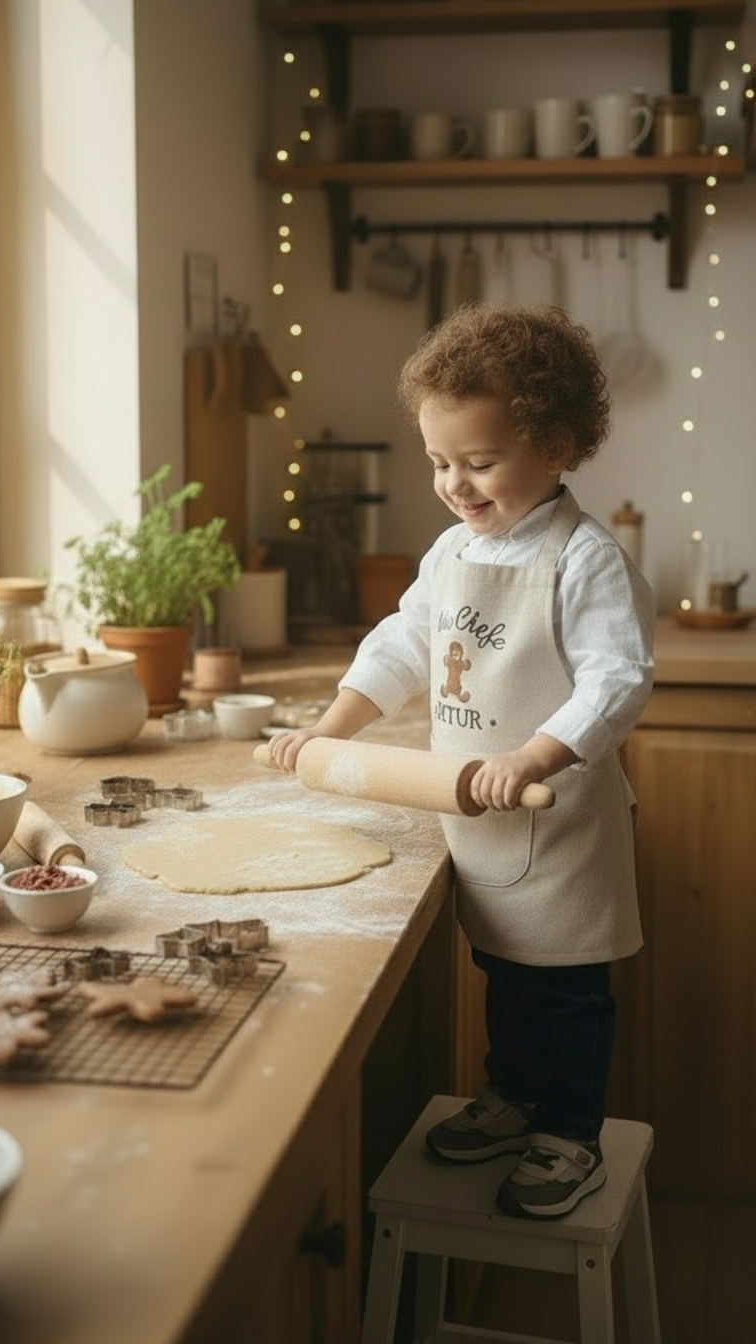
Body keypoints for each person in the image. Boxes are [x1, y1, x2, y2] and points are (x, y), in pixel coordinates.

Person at [269, 303, 655, 1221]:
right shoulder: (451, 553)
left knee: (564, 987)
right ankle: (516, 1098)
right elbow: (401, 645)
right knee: (506, 969)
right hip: (476, 816)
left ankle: (570, 1132)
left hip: (555, 820)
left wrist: (532, 753)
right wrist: (330, 730)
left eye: (479, 464)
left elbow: (617, 679)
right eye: (440, 463)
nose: (455, 485)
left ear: (557, 446)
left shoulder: (585, 561)